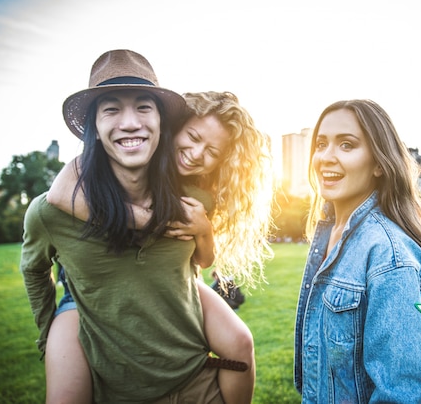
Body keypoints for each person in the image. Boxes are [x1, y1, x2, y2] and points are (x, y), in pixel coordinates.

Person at [21, 49, 225, 403]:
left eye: (144, 107)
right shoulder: (52, 210)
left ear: (162, 123)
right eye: (111, 109)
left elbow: (198, 266)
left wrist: (204, 231)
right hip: (107, 376)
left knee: (242, 343)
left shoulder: (193, 202)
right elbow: (34, 269)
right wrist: (50, 329)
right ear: (95, 129)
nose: (130, 122)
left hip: (195, 379)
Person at [44, 90, 273, 403]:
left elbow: (204, 261)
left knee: (240, 341)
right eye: (192, 137)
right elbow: (59, 195)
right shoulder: (135, 156)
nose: (195, 153)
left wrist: (204, 231)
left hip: (176, 278)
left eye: (211, 152)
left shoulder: (199, 191)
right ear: (174, 126)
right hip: (90, 287)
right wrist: (145, 220)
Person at [294, 99, 421, 403]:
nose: (326, 157)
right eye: (321, 144)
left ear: (380, 164)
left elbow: (404, 396)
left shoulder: (388, 253)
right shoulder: (330, 234)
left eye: (346, 145)